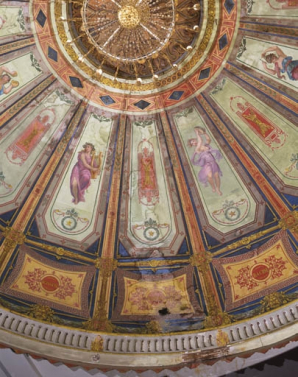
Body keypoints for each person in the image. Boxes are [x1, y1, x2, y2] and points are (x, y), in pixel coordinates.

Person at [189, 127, 223, 196]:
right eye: (192, 143)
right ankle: (213, 187)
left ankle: (218, 189)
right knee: (209, 177)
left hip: (213, 162)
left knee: (216, 176)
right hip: (207, 164)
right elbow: (200, 141)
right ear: (192, 145)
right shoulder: (197, 149)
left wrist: (204, 133)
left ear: (195, 140)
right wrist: (197, 134)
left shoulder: (204, 145)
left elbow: (208, 139)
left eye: (193, 141)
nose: (194, 142)